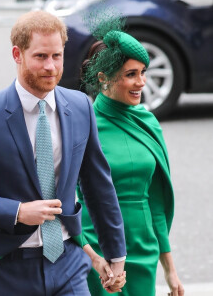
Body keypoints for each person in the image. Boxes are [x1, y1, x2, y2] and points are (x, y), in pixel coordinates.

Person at [0, 11, 127, 295]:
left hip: (68, 262)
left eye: (57, 56)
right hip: (4, 268)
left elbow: (99, 185)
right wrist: (17, 212)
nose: (50, 66)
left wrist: (116, 255)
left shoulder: (80, 107)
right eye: (40, 57)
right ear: (17, 54)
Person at [76, 18, 185, 296]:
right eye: (131, 74)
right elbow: (66, 199)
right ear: (103, 78)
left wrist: (170, 269)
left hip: (143, 247)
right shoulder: (83, 125)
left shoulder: (148, 122)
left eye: (143, 72)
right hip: (97, 249)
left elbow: (157, 201)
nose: (142, 83)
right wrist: (92, 256)